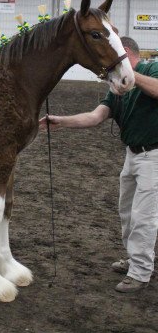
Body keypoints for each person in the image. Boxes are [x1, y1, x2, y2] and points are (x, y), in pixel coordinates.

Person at [40, 36, 158, 293]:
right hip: (134, 155)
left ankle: (140, 271)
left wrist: (130, 77)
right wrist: (63, 121)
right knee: (127, 211)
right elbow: (96, 116)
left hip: (153, 155)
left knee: (143, 216)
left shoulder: (150, 69)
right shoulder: (118, 88)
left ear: (125, 53)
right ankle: (134, 259)